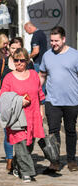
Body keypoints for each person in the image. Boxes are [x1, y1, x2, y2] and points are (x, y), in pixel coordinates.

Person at [0, 37, 35, 173]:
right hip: (7, 102)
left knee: (24, 134)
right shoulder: (3, 62)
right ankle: (9, 159)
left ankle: (20, 158)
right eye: (12, 48)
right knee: (8, 133)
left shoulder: (28, 64)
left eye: (17, 48)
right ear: (9, 48)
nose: (15, 51)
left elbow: (33, 79)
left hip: (24, 103)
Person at [0, 48, 45, 183]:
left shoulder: (33, 74)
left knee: (29, 144)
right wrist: (19, 101)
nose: (19, 63)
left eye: (22, 60)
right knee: (20, 143)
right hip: (17, 116)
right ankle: (27, 172)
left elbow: (39, 94)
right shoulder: (9, 77)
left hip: (33, 114)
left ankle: (16, 164)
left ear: (27, 61)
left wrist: (42, 110)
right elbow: (4, 97)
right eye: (16, 60)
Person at [39, 26, 78, 173]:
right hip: (52, 100)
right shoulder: (47, 56)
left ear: (63, 39)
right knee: (53, 131)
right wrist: (36, 90)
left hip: (72, 100)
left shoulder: (75, 55)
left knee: (70, 131)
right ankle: (54, 162)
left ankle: (71, 160)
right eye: (51, 41)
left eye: (56, 41)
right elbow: (42, 75)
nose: (53, 43)